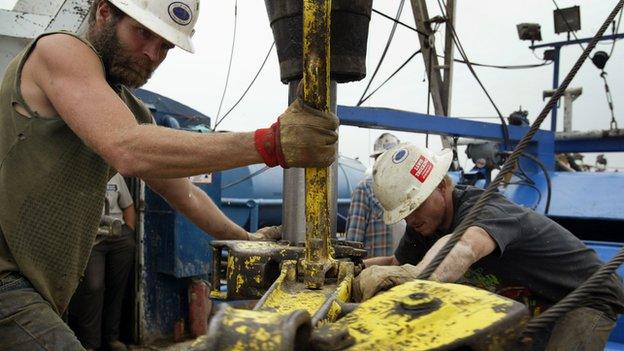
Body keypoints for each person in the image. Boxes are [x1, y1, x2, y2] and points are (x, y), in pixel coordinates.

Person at [0, 0, 338, 348]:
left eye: (164, 45)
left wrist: (246, 240)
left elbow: (187, 195)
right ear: (103, 12)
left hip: (39, 290)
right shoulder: (58, 50)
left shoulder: (131, 112)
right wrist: (271, 144)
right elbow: (127, 148)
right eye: (142, 32)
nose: (152, 54)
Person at [353, 143, 624, 350]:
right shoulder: (423, 226)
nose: (411, 218)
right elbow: (394, 266)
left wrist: (415, 276)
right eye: (404, 213)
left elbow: (465, 245)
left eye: (416, 206)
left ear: (443, 185)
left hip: (586, 295)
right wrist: (353, 269)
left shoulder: (484, 209)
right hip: (537, 303)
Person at [68, 173, 136, 351]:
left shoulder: (117, 177)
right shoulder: (78, 175)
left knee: (117, 287)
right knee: (93, 287)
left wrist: (128, 232)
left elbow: (128, 206)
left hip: (118, 235)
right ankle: (90, 343)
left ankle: (111, 338)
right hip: (92, 238)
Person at [345, 133, 405, 263]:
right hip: (374, 273)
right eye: (383, 158)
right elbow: (353, 243)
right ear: (377, 161)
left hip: (403, 271)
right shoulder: (365, 189)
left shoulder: (407, 188)